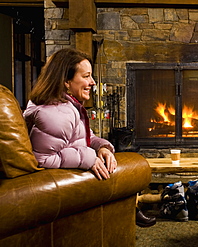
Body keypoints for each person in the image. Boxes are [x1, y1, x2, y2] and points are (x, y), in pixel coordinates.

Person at [23, 48, 156, 228]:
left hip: (67, 171)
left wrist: (101, 147)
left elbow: (84, 137)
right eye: (86, 76)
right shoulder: (56, 113)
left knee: (113, 165)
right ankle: (131, 211)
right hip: (57, 182)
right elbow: (42, 158)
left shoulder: (64, 106)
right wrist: (88, 158)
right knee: (129, 167)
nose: (92, 82)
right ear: (66, 82)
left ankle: (129, 212)